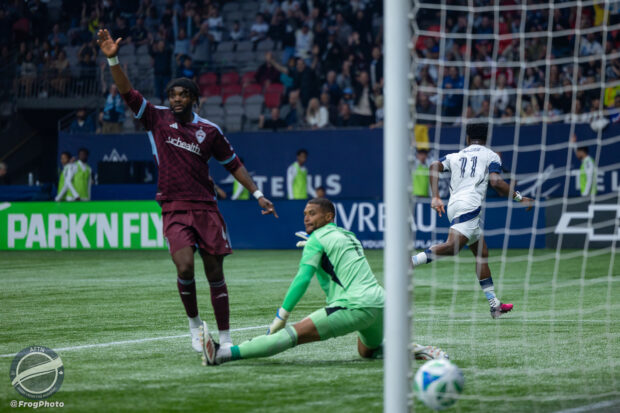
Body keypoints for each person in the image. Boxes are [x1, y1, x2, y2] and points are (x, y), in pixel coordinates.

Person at [97, 28, 278, 352]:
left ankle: (225, 339)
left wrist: (257, 194)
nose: (176, 99)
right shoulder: (156, 118)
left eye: (182, 94)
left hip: (206, 207)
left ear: (194, 99)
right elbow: (127, 92)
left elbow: (233, 164)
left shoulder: (210, 130)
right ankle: (195, 326)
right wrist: (113, 59)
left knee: (215, 273)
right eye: (173, 95)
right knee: (184, 266)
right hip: (174, 206)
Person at [200, 198, 449, 365]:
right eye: (305, 214)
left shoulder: (317, 240)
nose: (306, 218)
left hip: (354, 305)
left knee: (290, 336)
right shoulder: (348, 234)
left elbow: (302, 279)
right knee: (367, 351)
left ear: (329, 216)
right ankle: (415, 349)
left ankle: (223, 353)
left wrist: (281, 315)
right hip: (380, 305)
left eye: (313, 214)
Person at [411, 122, 534, 318]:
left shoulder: (456, 155)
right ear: (486, 138)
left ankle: (495, 304)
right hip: (470, 206)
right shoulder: (491, 155)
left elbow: (434, 166)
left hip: (454, 205)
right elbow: (496, 182)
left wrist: (435, 197)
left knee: (481, 252)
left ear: (467, 138)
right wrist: (520, 197)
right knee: (452, 247)